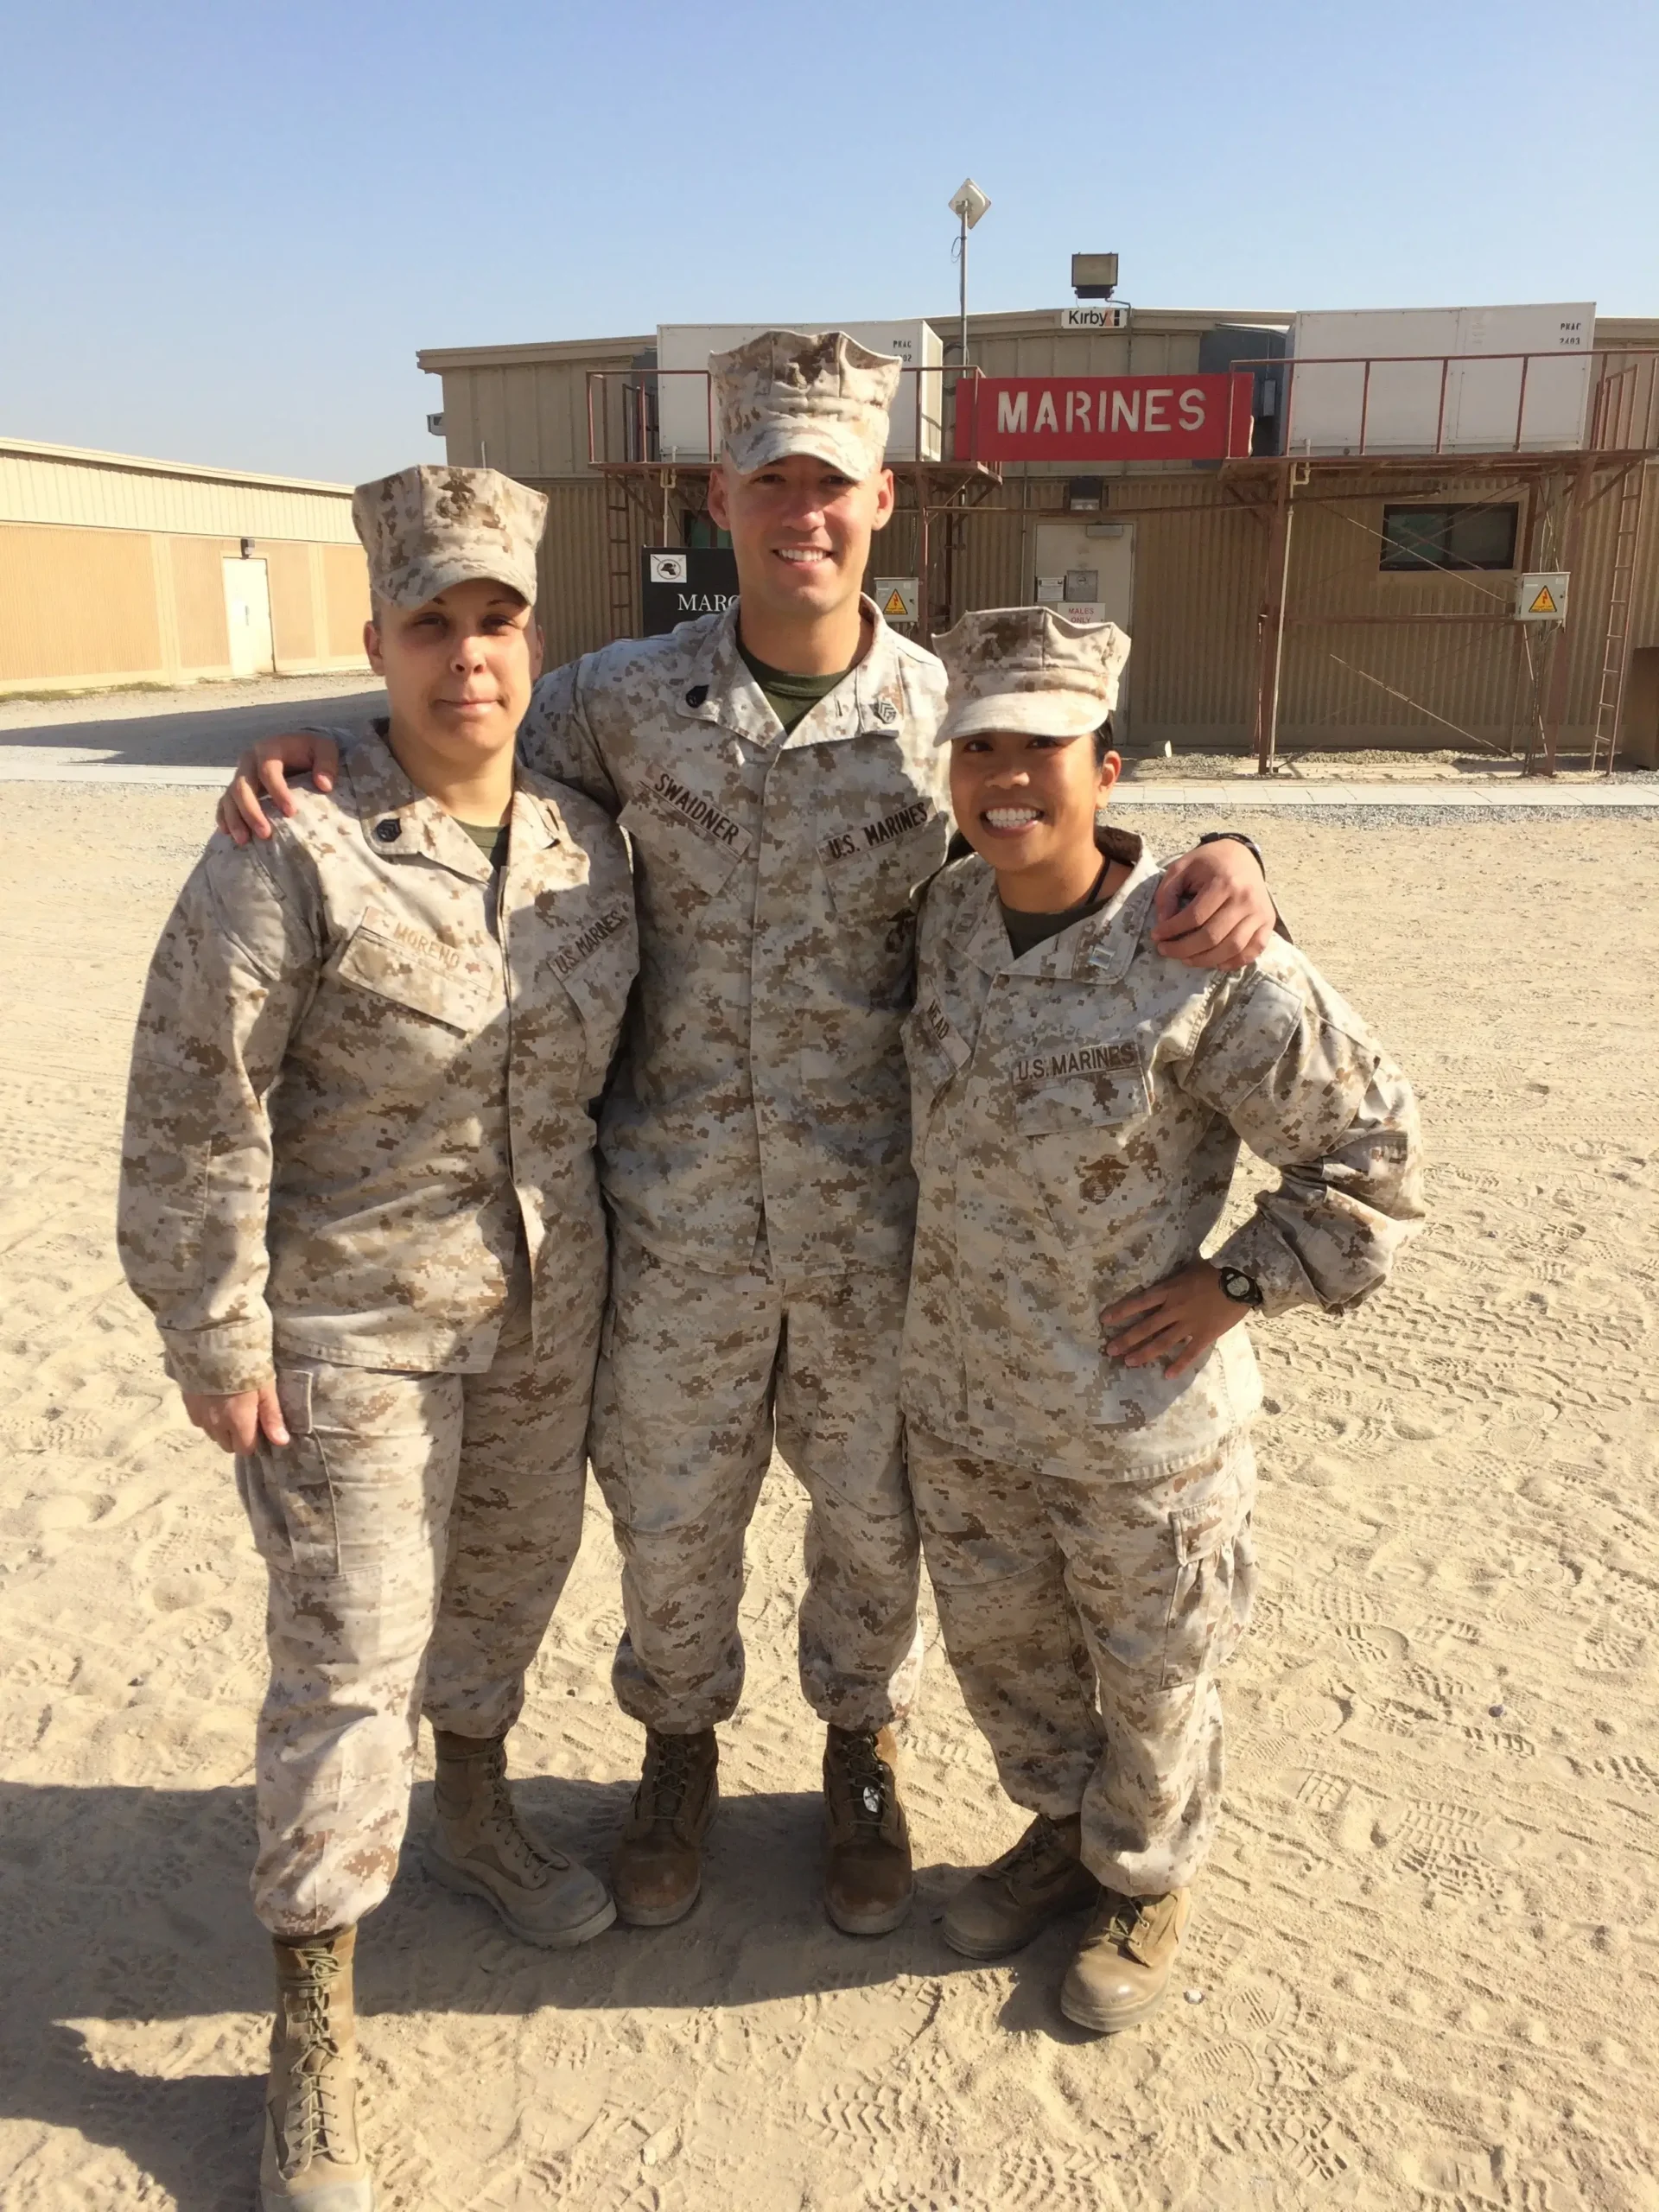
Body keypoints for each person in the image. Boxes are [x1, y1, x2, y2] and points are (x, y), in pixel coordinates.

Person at [213, 331, 1281, 1940]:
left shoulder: (948, 715)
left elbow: (1070, 829)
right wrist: (318, 751)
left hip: (877, 1223)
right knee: (672, 1511)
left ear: (883, 501)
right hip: (676, 1216)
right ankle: (676, 1753)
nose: (803, 511)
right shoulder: (624, 702)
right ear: (722, 495)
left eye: (830, 483)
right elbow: (460, 734)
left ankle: (862, 1755)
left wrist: (1236, 847)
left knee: (870, 1519)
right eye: (769, 478)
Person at [118, 466, 637, 2209]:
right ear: (378, 645)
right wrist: (213, 1327)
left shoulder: (589, 842)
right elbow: (197, 1098)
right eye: (434, 624)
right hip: (346, 1332)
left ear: (533, 643)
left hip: (546, 1311)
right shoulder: (296, 847)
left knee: (500, 1598)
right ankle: (314, 2028)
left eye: (497, 622)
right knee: (346, 1670)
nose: (468, 657)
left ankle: (475, 1815)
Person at [902, 606, 1423, 2032]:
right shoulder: (944, 922)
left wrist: (1236, 1283)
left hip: (1141, 1421)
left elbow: (1374, 1156)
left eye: (1044, 748)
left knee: (1153, 1666)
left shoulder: (1200, 945)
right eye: (981, 747)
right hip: (969, 1406)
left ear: (1110, 768)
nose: (1008, 776)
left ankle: (1143, 1875)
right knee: (1008, 1658)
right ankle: (1064, 1838)